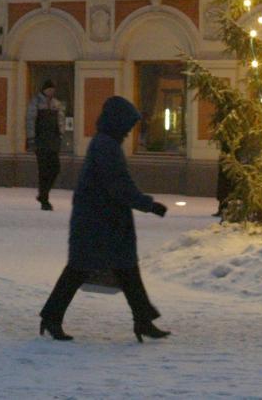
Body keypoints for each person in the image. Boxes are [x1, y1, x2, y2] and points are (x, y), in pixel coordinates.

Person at [38, 95, 170, 343]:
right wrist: (149, 205)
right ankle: (52, 317)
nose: (129, 132)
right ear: (117, 122)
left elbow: (119, 186)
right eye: (127, 126)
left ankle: (143, 320)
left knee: (123, 270)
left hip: (102, 220)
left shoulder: (105, 143)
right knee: (82, 270)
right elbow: (120, 186)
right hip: (98, 221)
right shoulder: (106, 146)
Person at [25, 80, 65, 211]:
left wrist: (60, 136)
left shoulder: (56, 103)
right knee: (43, 171)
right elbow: (30, 121)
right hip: (40, 141)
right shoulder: (35, 102)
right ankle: (44, 199)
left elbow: (61, 120)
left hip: (53, 142)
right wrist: (31, 138)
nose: (51, 92)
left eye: (53, 90)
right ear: (44, 90)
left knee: (55, 168)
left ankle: (43, 194)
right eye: (49, 90)